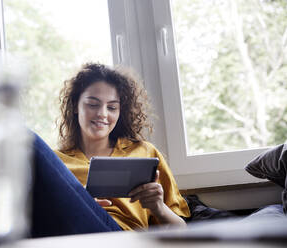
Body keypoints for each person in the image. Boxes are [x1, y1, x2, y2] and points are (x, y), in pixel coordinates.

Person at [54, 63, 190, 231]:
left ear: (120, 112)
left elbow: (182, 232)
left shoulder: (144, 153)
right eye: (93, 104)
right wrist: (78, 203)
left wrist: (159, 207)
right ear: (75, 106)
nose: (102, 114)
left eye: (111, 107)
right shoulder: (56, 162)